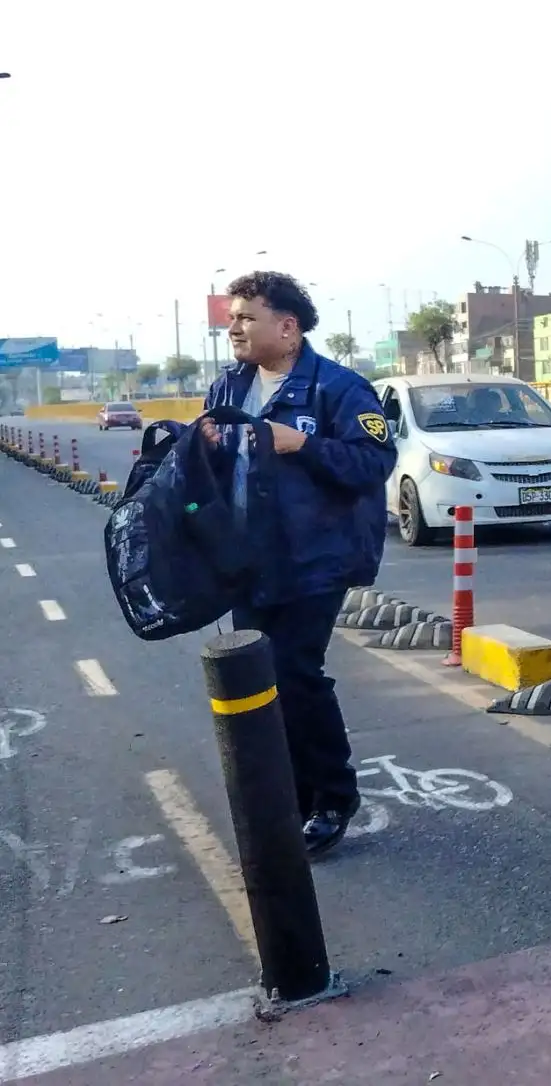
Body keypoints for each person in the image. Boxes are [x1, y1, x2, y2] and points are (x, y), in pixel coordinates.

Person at [197, 271, 396, 856]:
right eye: (232, 318)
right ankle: (288, 793)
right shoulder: (228, 388)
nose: (232, 327)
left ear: (287, 328)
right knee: (259, 679)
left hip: (316, 559)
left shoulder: (339, 388)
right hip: (250, 559)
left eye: (245, 317)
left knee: (294, 671)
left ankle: (332, 796)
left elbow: (372, 463)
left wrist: (301, 444)